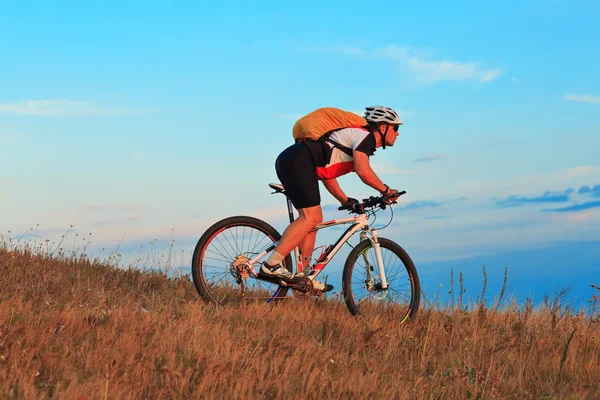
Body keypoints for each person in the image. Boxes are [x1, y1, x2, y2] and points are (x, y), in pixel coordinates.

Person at [259, 106, 403, 291]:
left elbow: (327, 173)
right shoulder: (364, 137)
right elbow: (363, 171)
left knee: (313, 222)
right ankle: (272, 265)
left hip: (294, 159)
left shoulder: (353, 140)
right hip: (297, 160)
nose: (397, 134)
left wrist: (344, 200)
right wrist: (387, 190)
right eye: (395, 128)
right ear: (383, 127)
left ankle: (304, 279)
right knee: (310, 217)